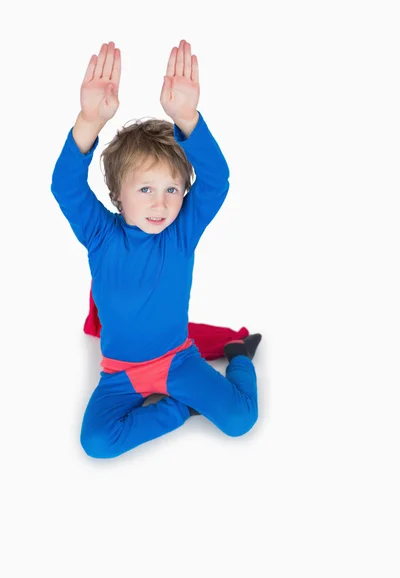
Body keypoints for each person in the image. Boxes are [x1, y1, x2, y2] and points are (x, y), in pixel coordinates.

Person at [50, 39, 262, 459]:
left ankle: (238, 356)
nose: (160, 202)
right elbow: (65, 187)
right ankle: (179, 410)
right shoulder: (100, 234)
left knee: (241, 421)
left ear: (184, 192)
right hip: (120, 375)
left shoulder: (181, 231)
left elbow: (217, 180)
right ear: (117, 194)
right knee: (96, 443)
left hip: (177, 361)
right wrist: (89, 122)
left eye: (172, 189)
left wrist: (188, 119)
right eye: (145, 188)